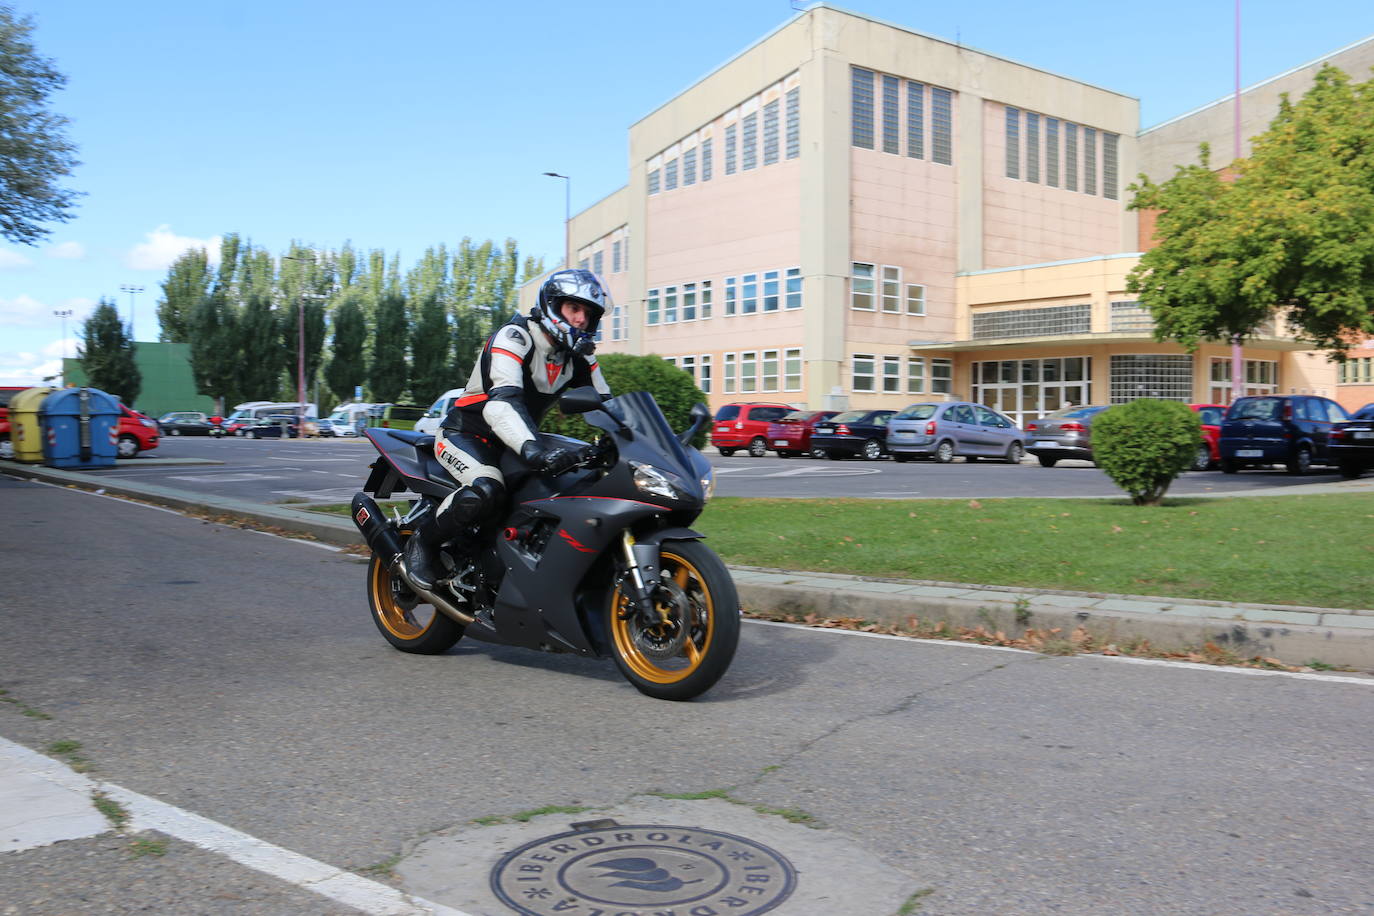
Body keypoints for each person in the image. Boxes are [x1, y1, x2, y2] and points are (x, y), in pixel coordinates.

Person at [401, 268, 612, 591]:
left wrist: (627, 441)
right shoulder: (515, 337)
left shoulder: (578, 358)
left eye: (589, 313)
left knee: (566, 493)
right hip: (467, 434)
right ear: (553, 305)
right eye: (574, 308)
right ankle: (423, 544)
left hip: (516, 442)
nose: (582, 319)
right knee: (487, 489)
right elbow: (501, 404)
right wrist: (535, 451)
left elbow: (609, 406)